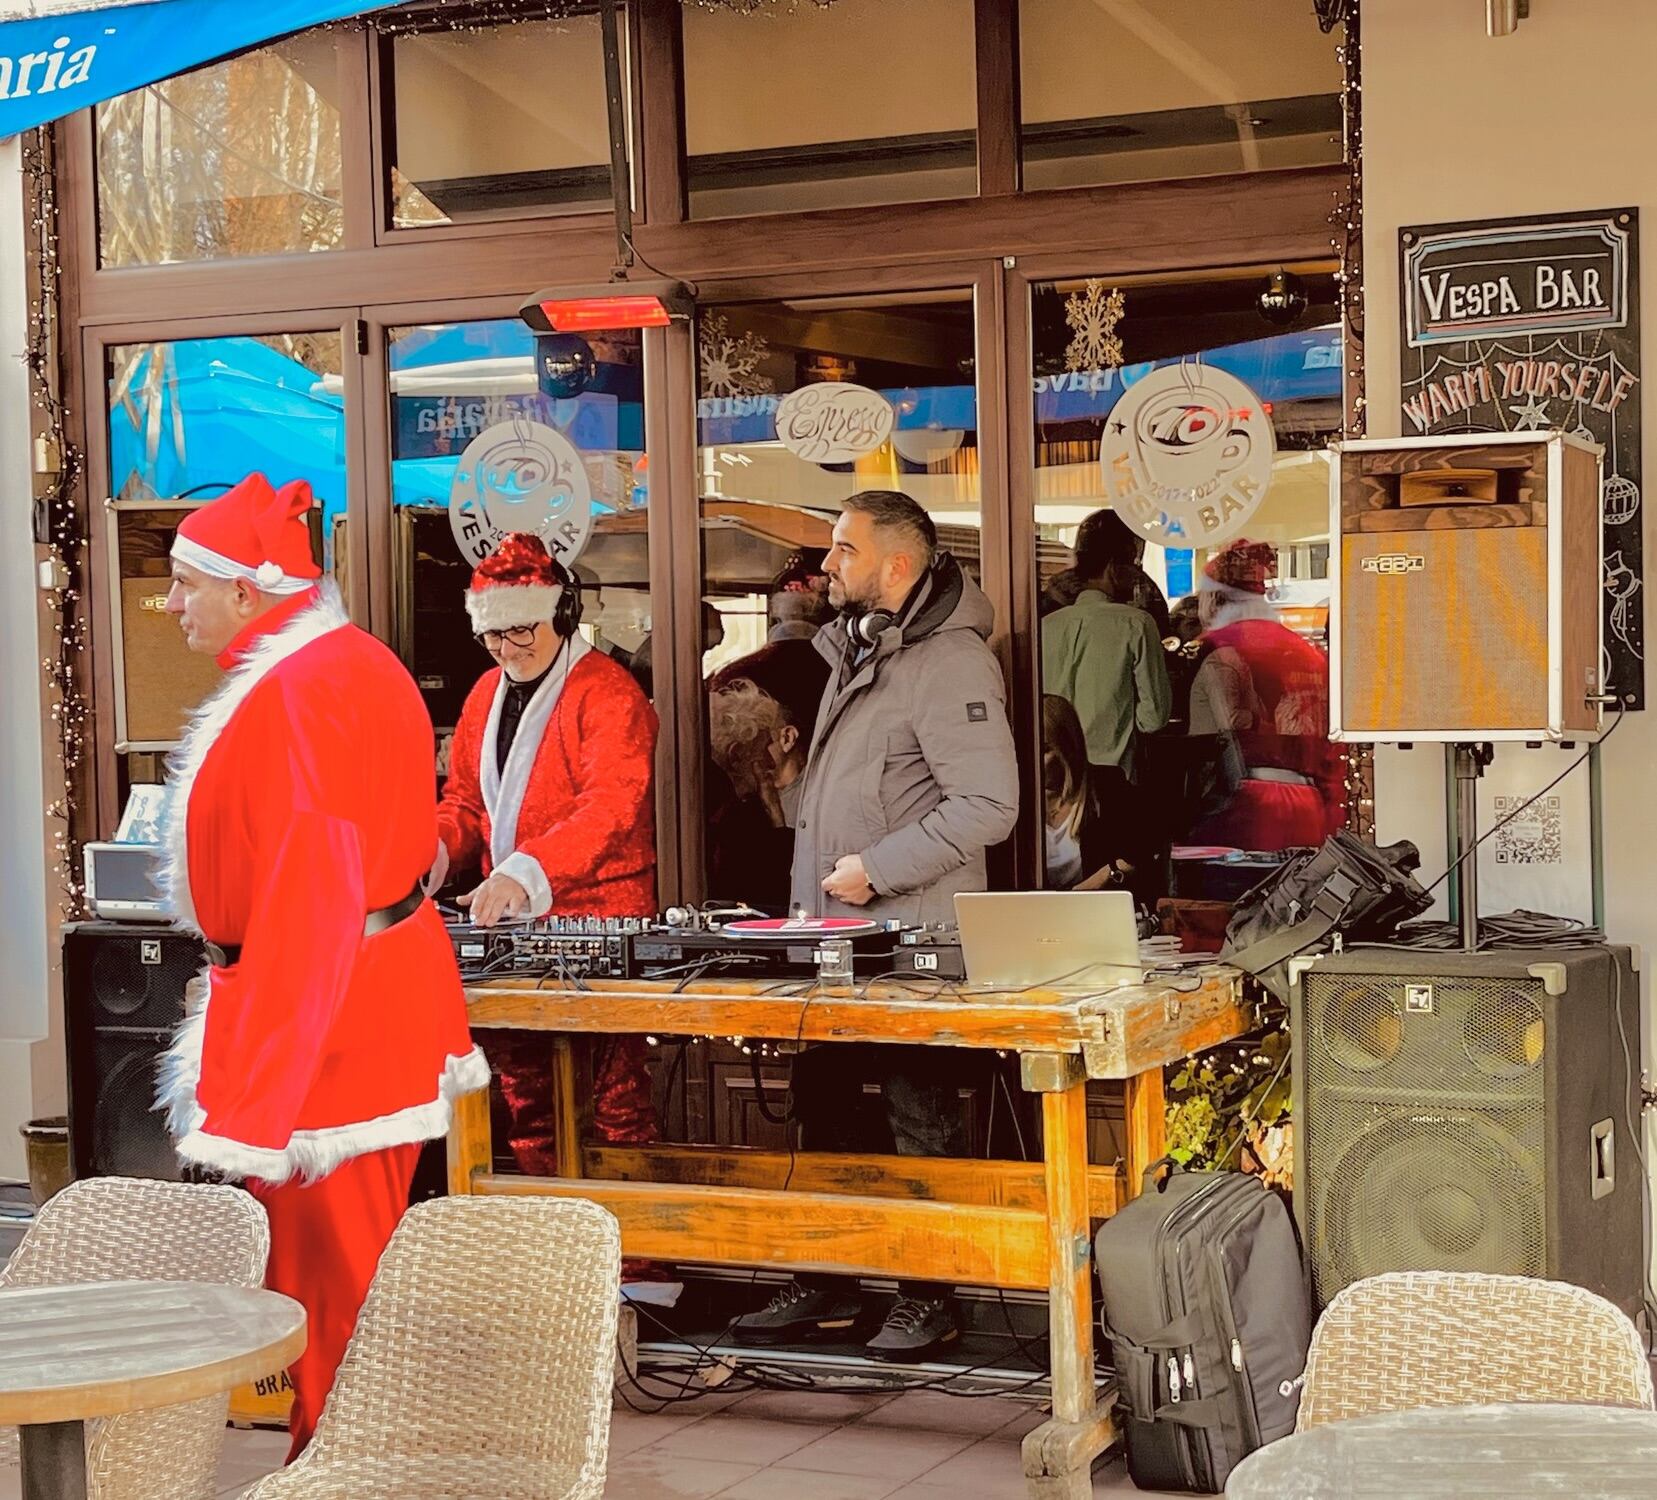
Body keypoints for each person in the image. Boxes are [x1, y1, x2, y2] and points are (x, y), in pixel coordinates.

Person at [156, 472, 485, 1458]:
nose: (169, 604)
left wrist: (266, 1078)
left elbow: (312, 889)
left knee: (331, 1284)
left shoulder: (303, 689)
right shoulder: (336, 666)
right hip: (355, 1002)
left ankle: (342, 1469)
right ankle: (340, 1461)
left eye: (183, 583)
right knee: (334, 1276)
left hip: (331, 1026)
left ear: (246, 591)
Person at [733, 489, 1019, 1361]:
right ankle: (829, 1280)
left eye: (844, 551)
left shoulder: (950, 662)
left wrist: (875, 871)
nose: (828, 567)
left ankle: (926, 1296)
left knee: (914, 1121)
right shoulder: (864, 651)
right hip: (838, 945)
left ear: (897, 565)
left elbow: (990, 805)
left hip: (910, 947)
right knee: (827, 1112)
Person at [432, 531, 660, 1161]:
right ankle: (548, 1250)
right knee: (526, 1095)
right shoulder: (485, 693)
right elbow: (467, 805)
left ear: (562, 614)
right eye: (494, 636)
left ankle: (634, 1259)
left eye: (523, 632)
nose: (508, 649)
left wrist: (523, 871)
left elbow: (612, 807)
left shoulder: (609, 692)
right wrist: (435, 852)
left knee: (614, 1102)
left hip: (599, 912)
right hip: (510, 918)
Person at [1040, 511, 1172, 899]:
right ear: (1116, 568)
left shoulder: (1047, 625)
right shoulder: (1135, 624)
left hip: (1052, 781)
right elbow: (1153, 718)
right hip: (1113, 786)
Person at [1186, 538, 1345, 850]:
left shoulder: (1221, 648)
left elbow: (1231, 728)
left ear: (1215, 600)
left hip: (1246, 804)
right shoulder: (1305, 652)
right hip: (1308, 803)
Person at [706, 640, 831, 910]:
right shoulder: (737, 810)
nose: (765, 762)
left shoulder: (817, 796)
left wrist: (773, 814)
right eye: (762, 749)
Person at [1041, 508, 1172, 636]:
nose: (1134, 573)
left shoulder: (1057, 592)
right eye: (1131, 560)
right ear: (1114, 565)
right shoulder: (1059, 594)